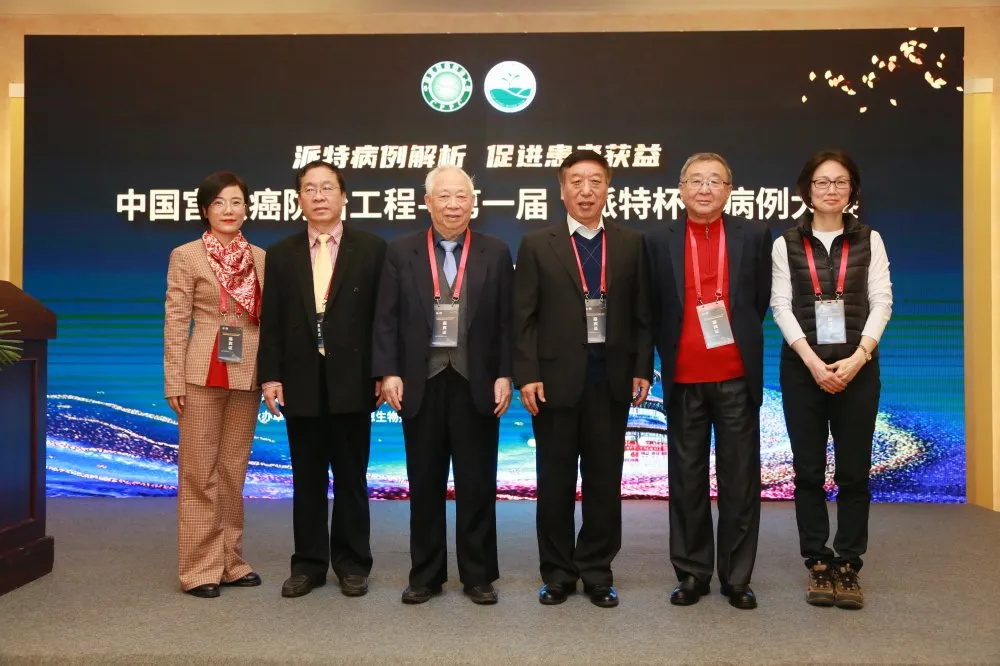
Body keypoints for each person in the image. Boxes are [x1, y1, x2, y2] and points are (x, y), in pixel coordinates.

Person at [513, 149, 653, 609]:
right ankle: (557, 573)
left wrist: (641, 367)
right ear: (562, 190)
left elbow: (642, 313)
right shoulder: (538, 243)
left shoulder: (631, 243)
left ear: (608, 188)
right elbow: (524, 317)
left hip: (610, 381)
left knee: (603, 482)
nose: (586, 191)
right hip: (553, 383)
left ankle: (596, 571)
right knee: (553, 482)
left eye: (595, 181)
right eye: (576, 182)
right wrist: (527, 375)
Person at [373, 165, 513, 606]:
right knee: (424, 482)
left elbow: (507, 320)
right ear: (428, 202)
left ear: (473, 202)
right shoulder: (402, 251)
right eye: (444, 196)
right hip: (422, 381)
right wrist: (389, 372)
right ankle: (426, 575)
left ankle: (478, 575)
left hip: (477, 382)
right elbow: (386, 317)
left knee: (478, 483)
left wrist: (505, 373)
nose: (453, 205)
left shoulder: (495, 250)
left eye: (461, 196)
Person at [644, 152, 771, 610]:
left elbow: (757, 300)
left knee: (741, 480)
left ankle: (736, 577)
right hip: (683, 376)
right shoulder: (657, 240)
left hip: (736, 375)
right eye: (696, 180)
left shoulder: (753, 235)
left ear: (729, 190)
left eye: (715, 181)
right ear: (681, 189)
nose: (705, 189)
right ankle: (692, 573)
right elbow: (651, 307)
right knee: (686, 480)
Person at [256, 160, 387, 599]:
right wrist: (270, 376)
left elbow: (383, 319)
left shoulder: (371, 248)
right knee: (307, 478)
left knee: (351, 477)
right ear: (299, 200)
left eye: (327, 187)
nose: (318, 196)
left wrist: (382, 372)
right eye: (309, 188)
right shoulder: (281, 253)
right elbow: (272, 320)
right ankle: (309, 565)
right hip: (301, 381)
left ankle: (352, 564)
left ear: (343, 196)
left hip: (354, 379)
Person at [771, 149, 892, 610]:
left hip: (858, 369)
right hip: (803, 370)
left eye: (840, 182)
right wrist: (812, 362)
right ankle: (818, 561)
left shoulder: (870, 239)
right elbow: (781, 306)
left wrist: (859, 357)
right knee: (807, 471)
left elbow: (882, 300)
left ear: (852, 190)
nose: (830, 190)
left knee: (854, 472)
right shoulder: (785, 243)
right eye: (822, 182)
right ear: (807, 189)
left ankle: (848, 562)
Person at [164, 171, 265, 598]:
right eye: (220, 202)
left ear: (247, 209)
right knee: (198, 471)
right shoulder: (186, 255)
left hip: (247, 371)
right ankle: (198, 568)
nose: (229, 210)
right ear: (205, 210)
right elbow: (175, 320)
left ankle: (230, 561)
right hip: (201, 373)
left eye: (237, 202)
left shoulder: (261, 258)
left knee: (232, 470)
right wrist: (173, 378)